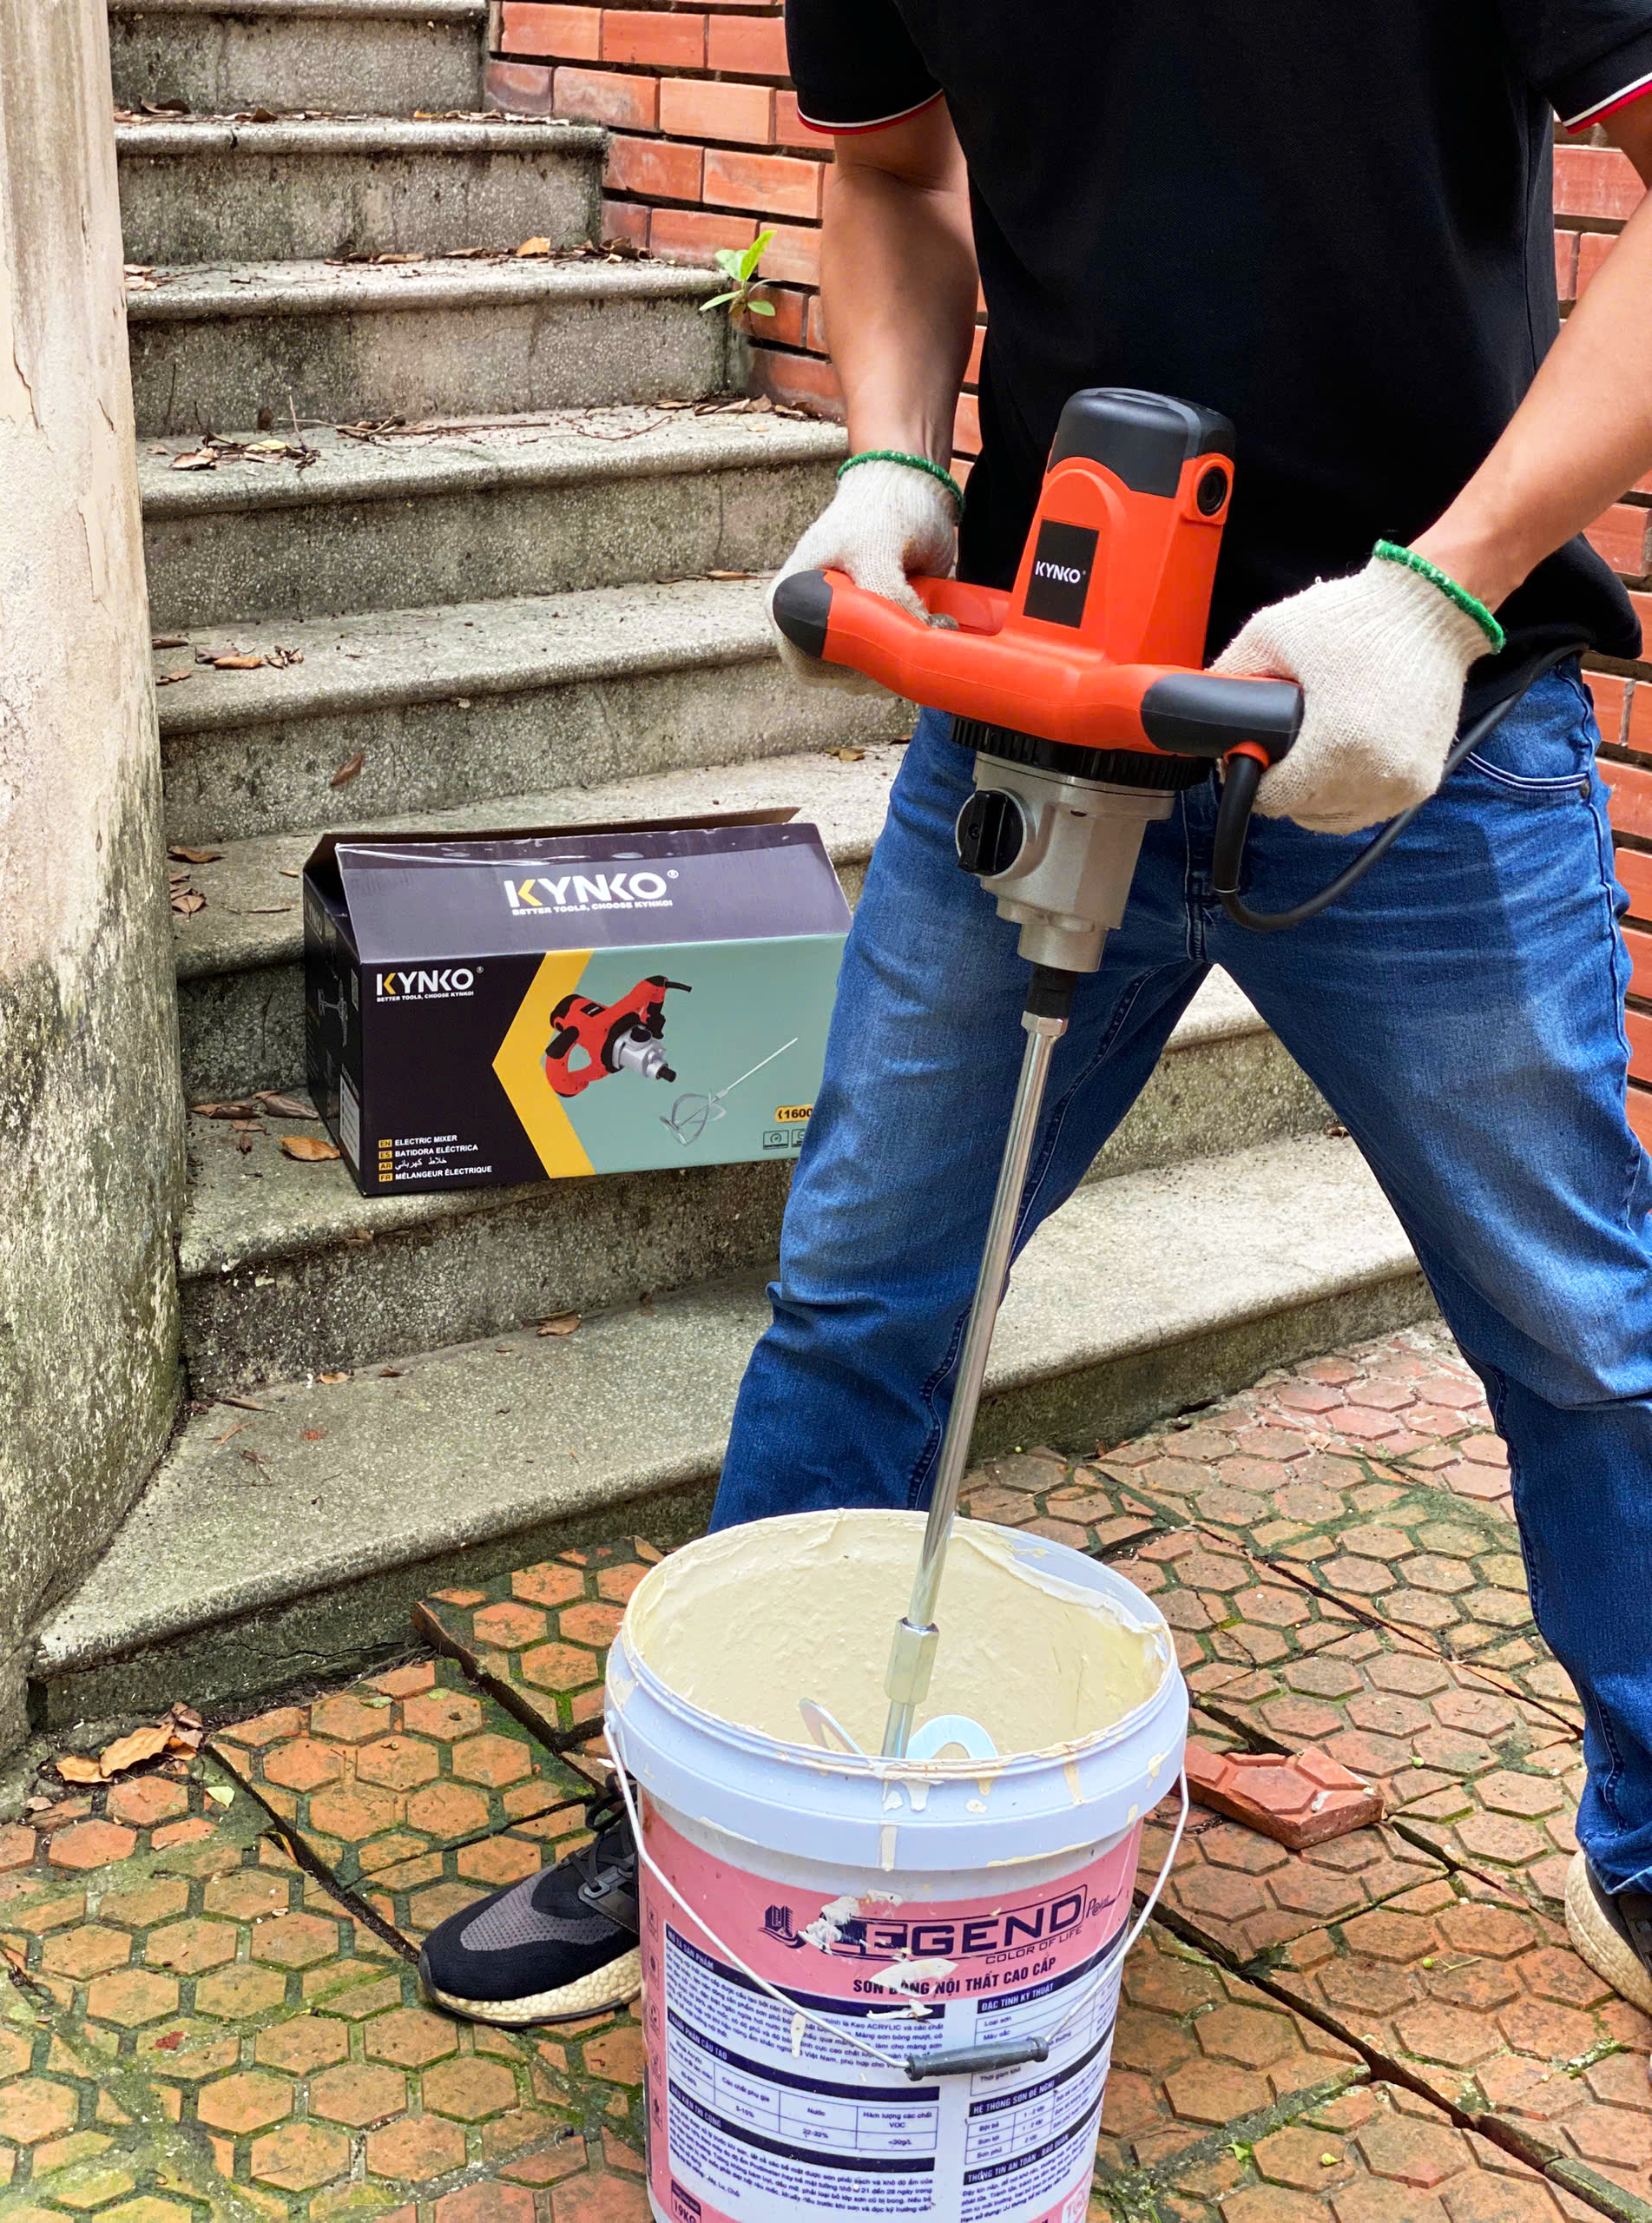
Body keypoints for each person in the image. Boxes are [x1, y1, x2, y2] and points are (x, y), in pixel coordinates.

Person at [419, 1, 1652, 2029]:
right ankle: (717, 1821)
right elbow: (895, 175)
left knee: (1583, 1331)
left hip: (1415, 740)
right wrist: (893, 452)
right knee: (865, 1293)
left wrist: (1445, 587)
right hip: (1051, 697)